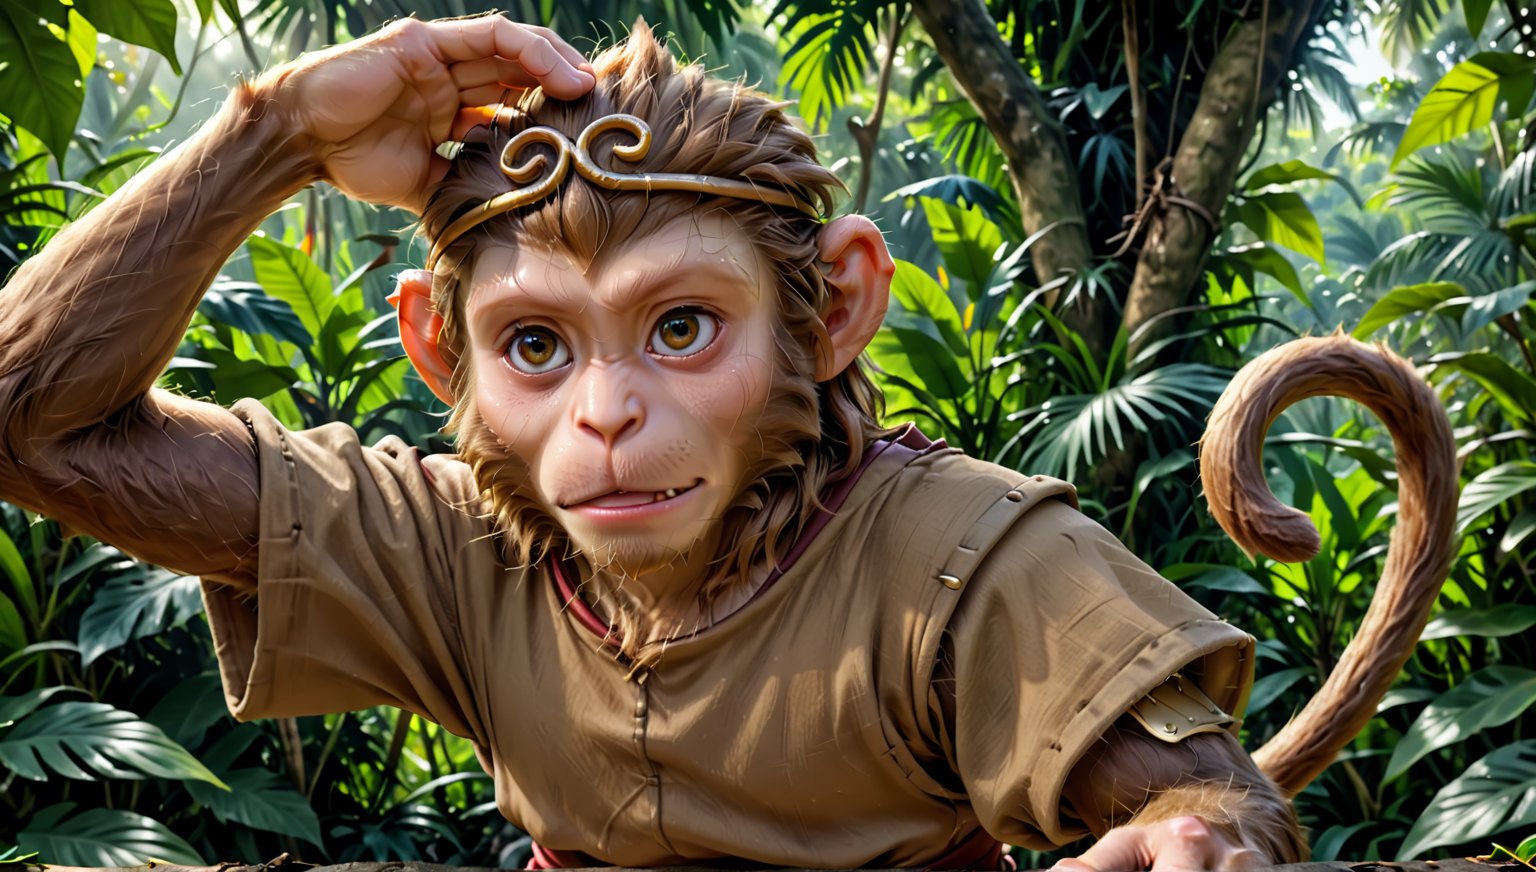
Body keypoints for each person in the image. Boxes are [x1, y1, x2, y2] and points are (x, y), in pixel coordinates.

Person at [0, 14, 1303, 870]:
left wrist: (1192, 832)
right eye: (537, 345)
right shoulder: (452, 552)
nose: (605, 413)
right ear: (440, 349)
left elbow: (1214, 806)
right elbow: (30, 421)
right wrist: (274, 131)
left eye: (681, 327)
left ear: (834, 307)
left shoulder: (960, 557)